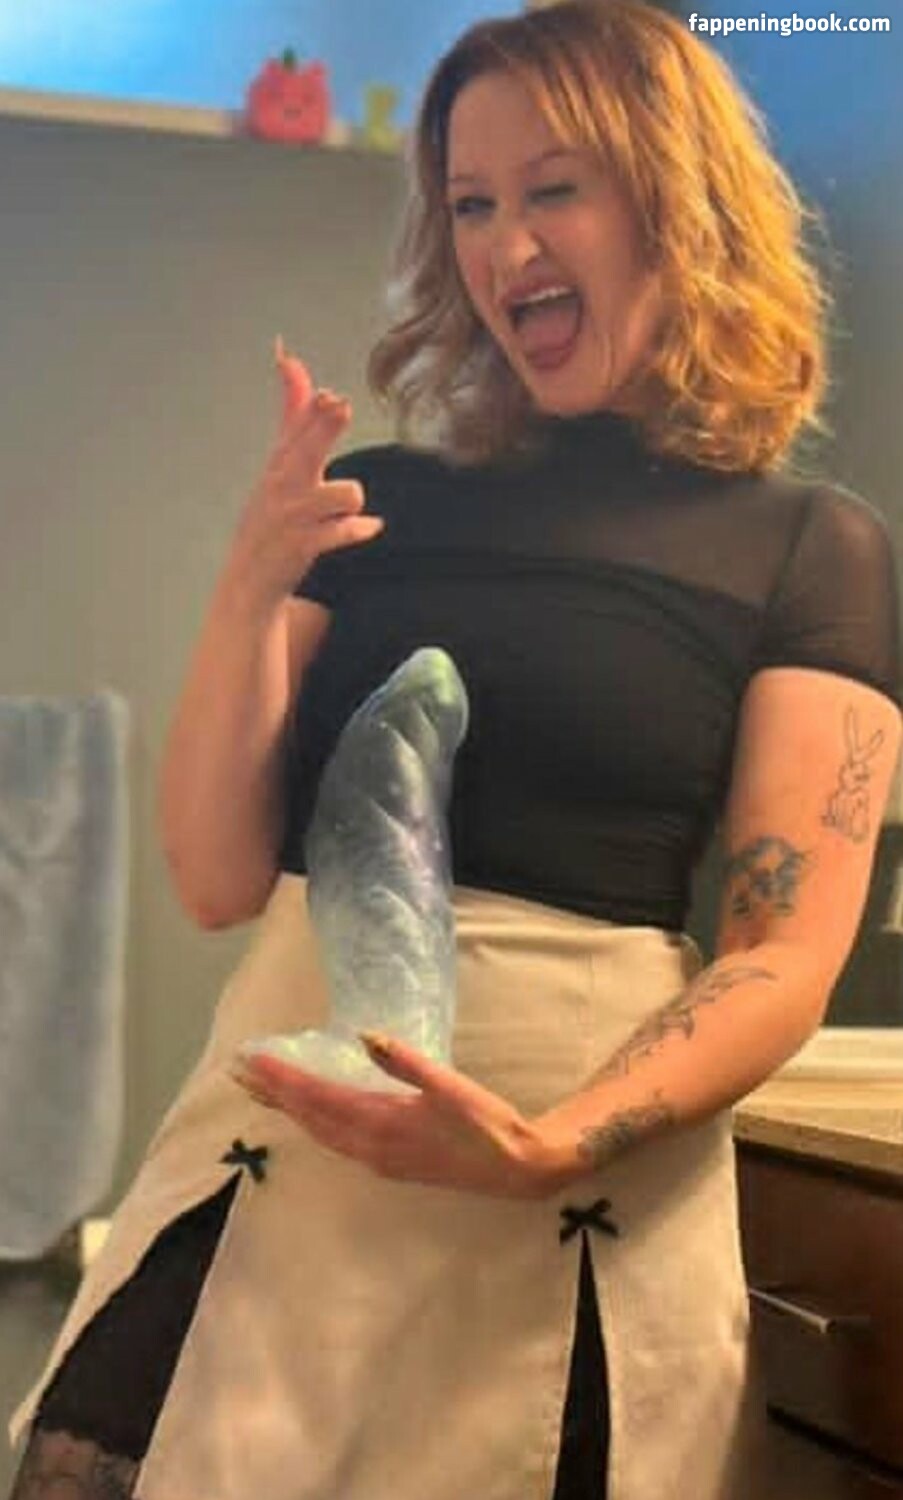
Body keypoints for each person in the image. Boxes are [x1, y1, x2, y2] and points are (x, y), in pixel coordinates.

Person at [8, 2, 901, 1497]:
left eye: (554, 189)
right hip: (275, 1177)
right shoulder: (377, 505)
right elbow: (217, 876)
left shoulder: (813, 549)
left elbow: (781, 949)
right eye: (471, 204)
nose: (504, 246)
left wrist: (554, 1145)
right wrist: (250, 581)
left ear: (677, 204)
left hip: (573, 1198)